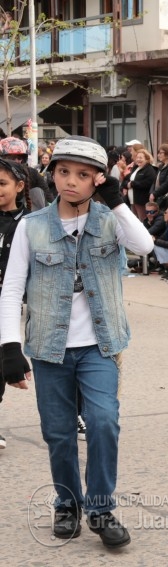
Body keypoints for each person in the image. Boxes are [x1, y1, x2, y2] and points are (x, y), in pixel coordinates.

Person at [0, 135, 154, 548]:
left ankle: (101, 509)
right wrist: (9, 348)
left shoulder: (110, 221)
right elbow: (12, 290)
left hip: (100, 346)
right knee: (59, 433)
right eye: (64, 172)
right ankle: (67, 504)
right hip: (49, 349)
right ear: (52, 176)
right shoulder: (30, 227)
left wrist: (118, 201)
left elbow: (146, 246)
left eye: (83, 175)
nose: (71, 181)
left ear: (98, 181)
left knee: (104, 422)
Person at [0, 157, 30, 449]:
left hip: (14, 302)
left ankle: (75, 415)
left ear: (19, 187)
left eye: (2, 183)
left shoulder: (29, 222)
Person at [122, 148, 157, 221]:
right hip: (132, 200)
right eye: (137, 157)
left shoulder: (149, 169)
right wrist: (126, 185)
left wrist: (132, 184)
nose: (138, 159)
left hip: (141, 200)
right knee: (134, 221)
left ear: (147, 159)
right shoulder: (135, 168)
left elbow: (148, 183)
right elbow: (126, 179)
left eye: (141, 158)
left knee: (142, 220)